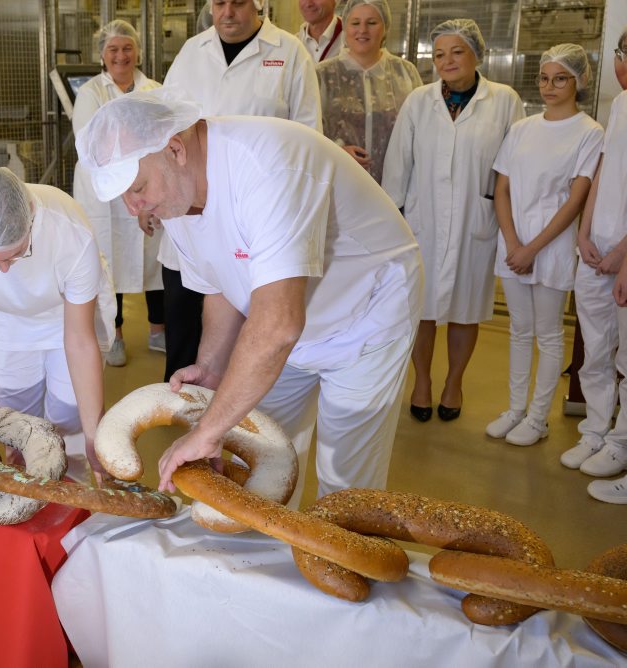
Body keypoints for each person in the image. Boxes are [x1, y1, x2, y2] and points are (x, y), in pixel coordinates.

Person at [76, 89, 422, 504]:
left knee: (346, 481)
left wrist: (208, 430)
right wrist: (211, 367)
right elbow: (222, 285)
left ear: (174, 149)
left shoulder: (267, 167)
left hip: (365, 313)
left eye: (137, 188)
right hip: (284, 322)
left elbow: (278, 325)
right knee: (265, 460)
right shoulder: (177, 195)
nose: (135, 209)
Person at [157, 0, 321, 383]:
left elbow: (308, 138)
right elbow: (162, 125)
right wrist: (153, 196)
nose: (227, 12)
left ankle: (234, 407)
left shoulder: (289, 53)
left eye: (238, 2)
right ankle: (182, 404)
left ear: (258, 4)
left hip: (255, 214)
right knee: (181, 308)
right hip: (188, 209)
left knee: (246, 316)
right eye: (219, 3)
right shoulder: (190, 52)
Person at [0, 167, 115, 485]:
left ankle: (70, 501)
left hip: (69, 317)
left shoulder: (70, 232)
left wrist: (93, 434)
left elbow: (79, 340)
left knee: (68, 422)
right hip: (8, 319)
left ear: (31, 216)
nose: (3, 270)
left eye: (16, 254)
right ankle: (25, 496)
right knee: (17, 425)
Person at [383, 18, 524, 423]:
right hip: (422, 219)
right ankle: (423, 381)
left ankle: (454, 382)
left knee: (466, 307)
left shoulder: (504, 100)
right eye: (439, 54)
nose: (447, 61)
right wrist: (395, 218)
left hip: (473, 220)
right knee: (422, 308)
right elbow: (398, 163)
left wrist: (509, 220)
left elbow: (512, 167)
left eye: (457, 52)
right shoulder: (418, 101)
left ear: (476, 54)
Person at [483, 44, 602, 447]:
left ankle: (538, 419)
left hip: (550, 248)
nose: (550, 86)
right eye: (544, 78)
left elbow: (575, 199)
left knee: (549, 335)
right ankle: (516, 410)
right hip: (513, 242)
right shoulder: (521, 129)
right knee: (519, 331)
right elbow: (502, 189)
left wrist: (532, 248)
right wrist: (513, 241)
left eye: (561, 78)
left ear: (579, 81)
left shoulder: (589, 132)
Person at [72, 19, 164, 367]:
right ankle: (116, 334)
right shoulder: (91, 92)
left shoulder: (153, 88)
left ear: (137, 50)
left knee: (157, 257)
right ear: (102, 55)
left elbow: (161, 139)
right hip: (105, 195)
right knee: (111, 259)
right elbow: (91, 142)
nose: (121, 55)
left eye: (127, 48)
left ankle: (158, 330)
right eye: (113, 49)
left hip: (151, 186)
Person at [564, 28, 627, 503]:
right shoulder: (621, 105)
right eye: (622, 53)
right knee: (596, 350)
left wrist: (622, 252)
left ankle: (621, 443)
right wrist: (585, 232)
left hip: (623, 253)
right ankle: (597, 430)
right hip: (596, 248)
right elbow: (604, 172)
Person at [316, 0, 422, 184]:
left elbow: (421, 129)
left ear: (385, 27)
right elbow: (308, 130)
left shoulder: (405, 73)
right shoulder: (322, 75)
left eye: (372, 23)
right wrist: (336, 150)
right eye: (355, 23)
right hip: (340, 183)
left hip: (394, 188)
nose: (362, 30)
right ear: (346, 28)